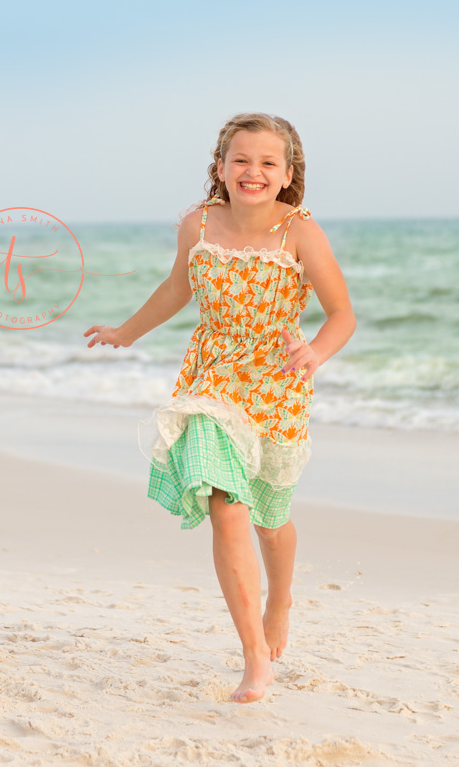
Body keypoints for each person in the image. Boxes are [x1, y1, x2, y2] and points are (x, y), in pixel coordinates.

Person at [84, 112, 356, 704]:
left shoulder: (301, 234)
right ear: (220, 167)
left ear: (287, 174)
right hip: (211, 381)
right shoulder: (199, 223)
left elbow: (342, 314)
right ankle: (255, 658)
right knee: (224, 503)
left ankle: (279, 600)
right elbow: (177, 288)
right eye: (240, 160)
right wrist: (127, 332)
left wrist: (315, 352)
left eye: (266, 162)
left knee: (270, 518)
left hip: (278, 384)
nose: (252, 171)